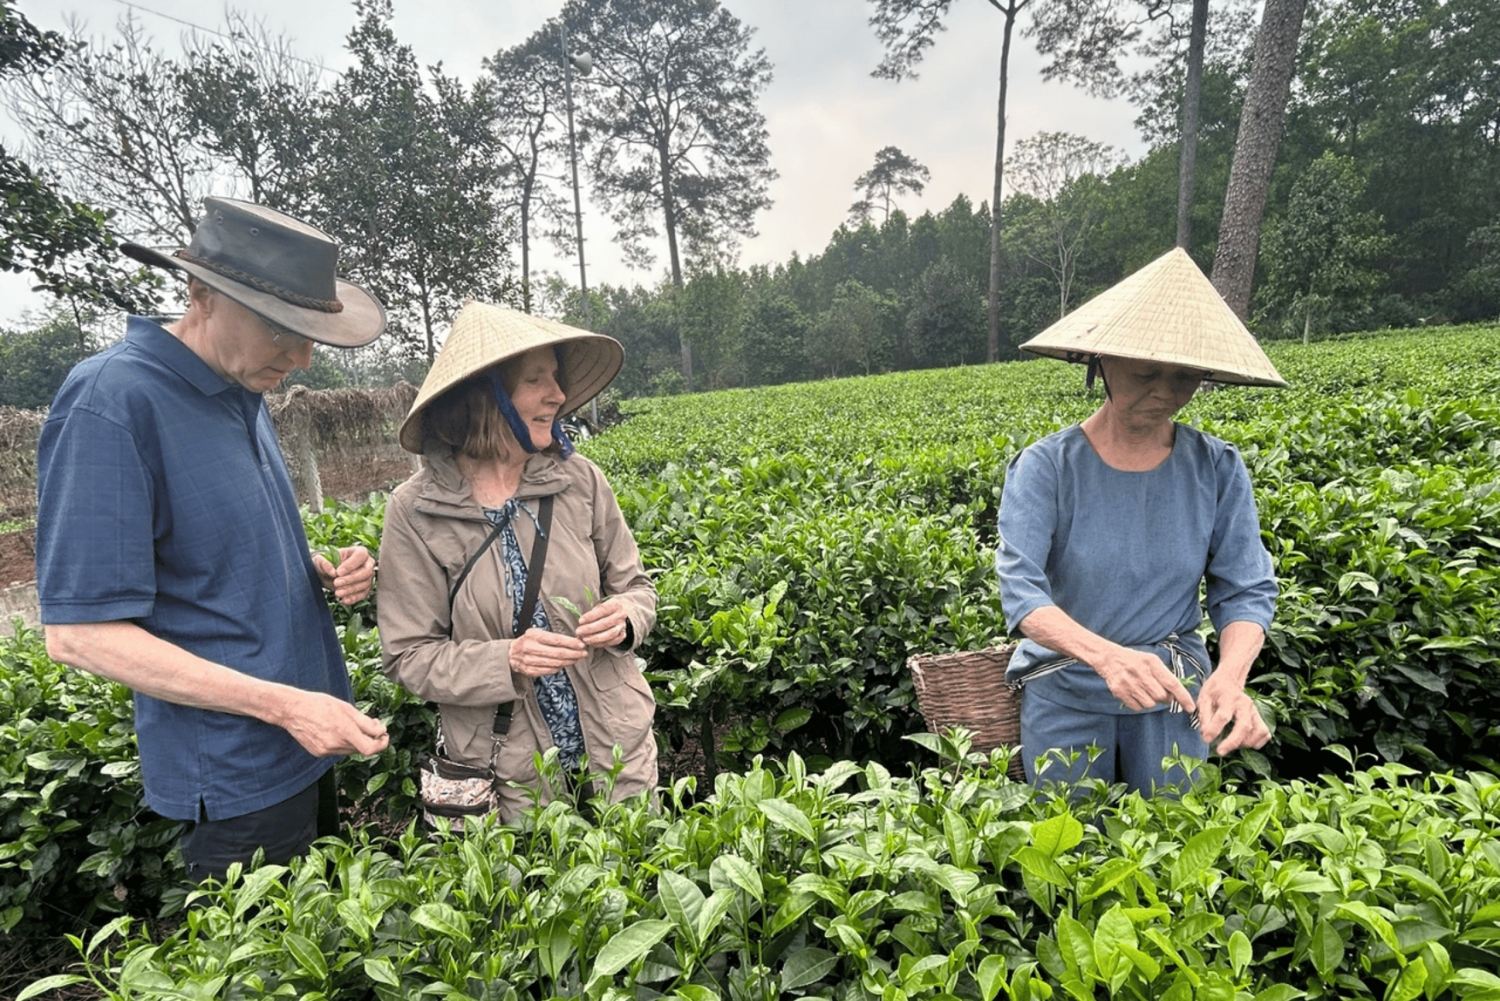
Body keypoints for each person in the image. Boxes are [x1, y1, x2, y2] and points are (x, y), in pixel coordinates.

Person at [36, 197, 391, 881]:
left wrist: (314, 571)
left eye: (310, 331)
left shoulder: (242, 389)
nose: (304, 356)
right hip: (238, 778)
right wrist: (285, 704)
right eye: (281, 329)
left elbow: (206, 559)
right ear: (200, 293)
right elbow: (80, 633)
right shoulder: (111, 402)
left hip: (309, 743)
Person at [996, 247, 1283, 793]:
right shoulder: (1046, 468)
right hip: (1066, 688)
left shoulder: (1216, 468)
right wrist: (1106, 657)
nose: (1165, 392)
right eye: (1147, 371)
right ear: (1100, 360)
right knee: (1067, 853)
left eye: (1185, 376)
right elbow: (1022, 594)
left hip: (1175, 693)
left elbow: (1245, 588)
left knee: (1173, 851)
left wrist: (1230, 674)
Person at [378, 300, 657, 819]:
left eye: (557, 377)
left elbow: (637, 587)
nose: (558, 394)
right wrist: (505, 659)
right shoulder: (415, 511)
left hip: (617, 754)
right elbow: (408, 655)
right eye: (536, 380)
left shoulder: (581, 481)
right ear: (487, 396)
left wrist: (626, 618)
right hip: (510, 777)